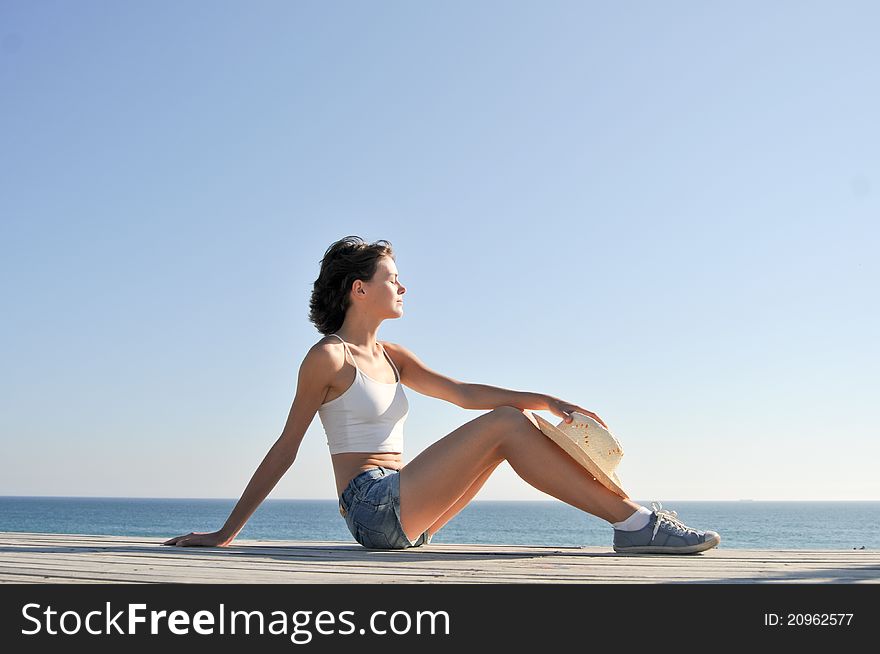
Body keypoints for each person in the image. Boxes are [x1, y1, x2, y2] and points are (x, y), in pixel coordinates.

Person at [163, 236, 720, 555]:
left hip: (409, 511)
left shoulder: (393, 357)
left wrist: (548, 399)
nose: (402, 287)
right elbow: (286, 446)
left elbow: (461, 393)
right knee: (506, 424)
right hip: (372, 508)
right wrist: (224, 534)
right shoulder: (327, 358)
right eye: (392, 278)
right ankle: (636, 524)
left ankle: (633, 524)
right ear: (360, 289)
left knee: (508, 428)